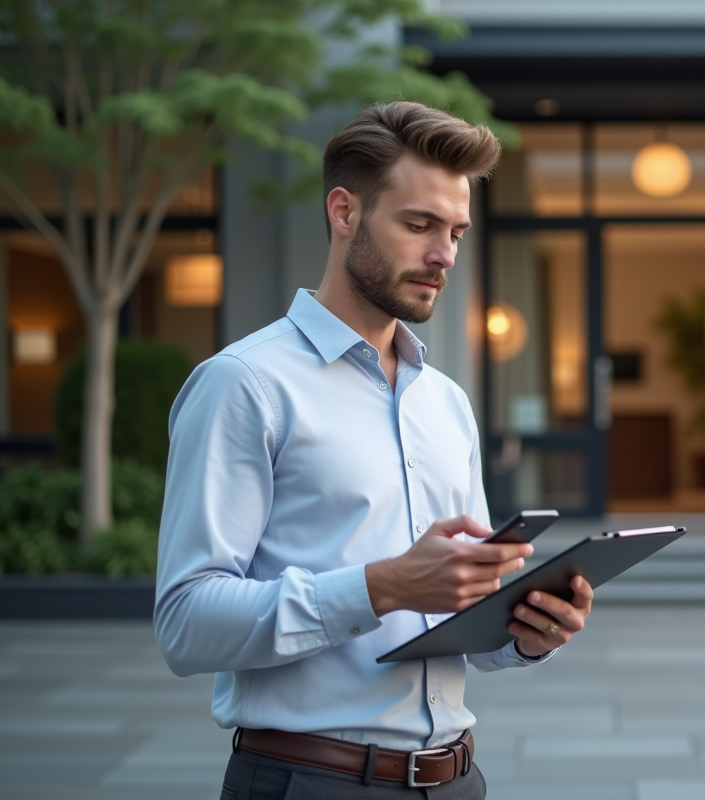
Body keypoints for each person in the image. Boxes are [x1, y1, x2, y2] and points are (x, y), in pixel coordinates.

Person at [154, 101, 594, 800]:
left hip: (457, 780)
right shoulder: (244, 384)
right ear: (343, 212)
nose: (444, 254)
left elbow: (460, 618)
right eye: (418, 225)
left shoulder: (446, 402)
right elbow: (184, 625)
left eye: (455, 231)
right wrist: (382, 585)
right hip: (310, 782)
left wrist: (522, 633)